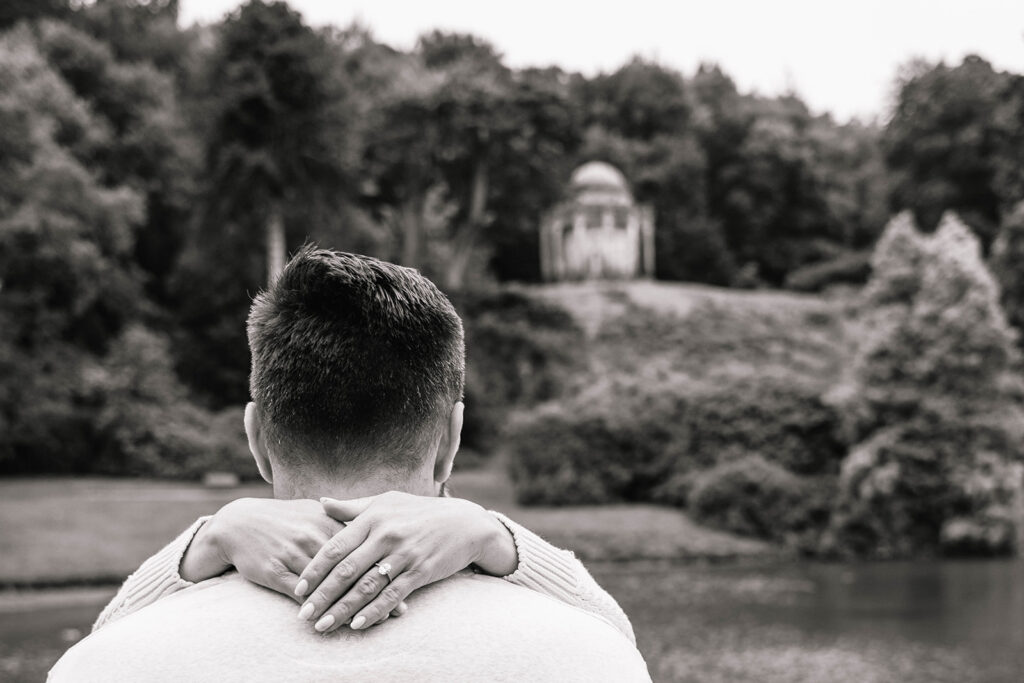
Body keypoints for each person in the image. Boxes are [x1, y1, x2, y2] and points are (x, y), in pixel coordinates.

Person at [50, 247, 650, 682]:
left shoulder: (104, 664)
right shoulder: (588, 658)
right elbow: (616, 632)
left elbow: (106, 634)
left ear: (258, 439)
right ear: (451, 441)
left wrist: (206, 538)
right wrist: (495, 533)